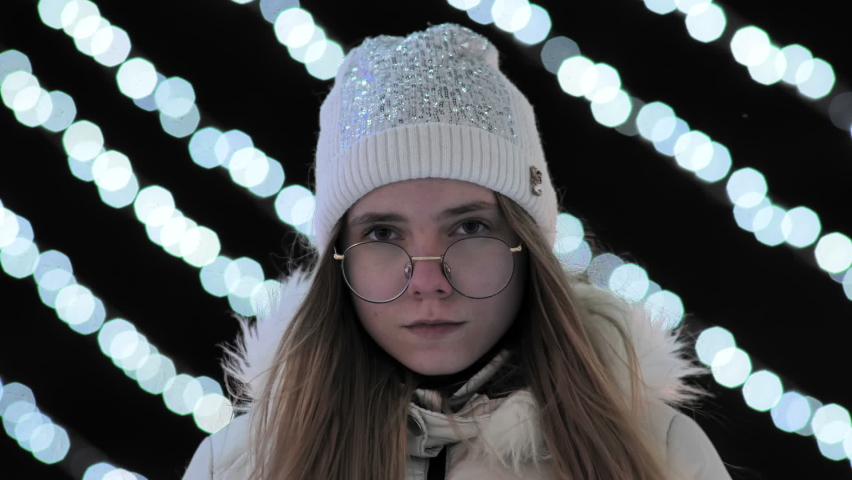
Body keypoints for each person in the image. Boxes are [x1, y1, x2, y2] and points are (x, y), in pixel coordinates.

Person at [182, 23, 731, 480]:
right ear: (339, 260)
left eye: (468, 228)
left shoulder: (661, 453)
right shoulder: (240, 464)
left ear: (527, 249)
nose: (428, 280)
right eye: (382, 234)